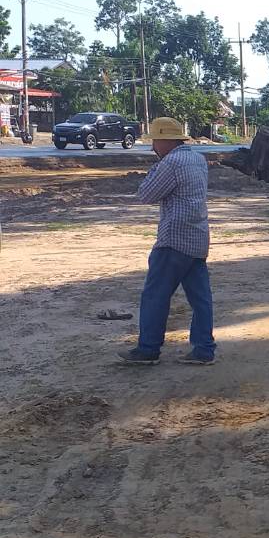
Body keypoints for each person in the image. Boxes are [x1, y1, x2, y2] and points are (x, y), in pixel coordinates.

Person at [119, 116, 216, 366]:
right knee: (201, 298)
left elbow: (146, 194)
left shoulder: (171, 162)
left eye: (155, 141)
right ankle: (204, 349)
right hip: (197, 237)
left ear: (165, 140)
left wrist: (157, 167)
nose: (153, 146)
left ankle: (148, 348)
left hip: (173, 238)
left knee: (155, 295)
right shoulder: (198, 158)